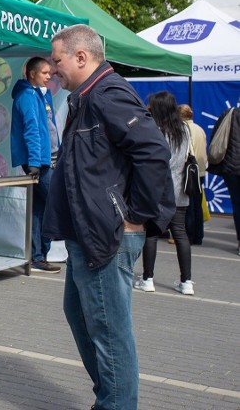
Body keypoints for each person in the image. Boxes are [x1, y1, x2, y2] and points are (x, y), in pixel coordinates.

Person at [43, 24, 174, 410]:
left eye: (57, 60)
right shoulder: (88, 96)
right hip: (90, 233)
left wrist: (137, 218)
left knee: (109, 332)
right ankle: (112, 396)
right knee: (82, 316)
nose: (52, 70)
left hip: (107, 234)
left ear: (81, 57)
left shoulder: (107, 93)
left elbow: (153, 152)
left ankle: (115, 402)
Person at [133, 92, 194, 295]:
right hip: (180, 189)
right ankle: (187, 281)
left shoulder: (154, 130)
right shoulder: (184, 129)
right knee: (180, 234)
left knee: (151, 233)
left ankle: (147, 278)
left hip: (158, 189)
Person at [10, 56, 61, 274]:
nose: (49, 77)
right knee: (51, 205)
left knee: (40, 208)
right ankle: (39, 255)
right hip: (39, 161)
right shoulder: (27, 96)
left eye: (50, 73)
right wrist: (33, 163)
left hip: (47, 158)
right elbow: (31, 129)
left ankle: (38, 256)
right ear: (32, 74)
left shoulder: (40, 94)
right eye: (45, 73)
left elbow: (47, 127)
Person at [207, 98, 240, 256]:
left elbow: (216, 137)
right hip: (232, 168)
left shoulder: (229, 114)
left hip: (231, 167)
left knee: (237, 204)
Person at [178, 104, 206, 245]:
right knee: (197, 205)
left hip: (189, 171)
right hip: (200, 171)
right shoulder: (199, 129)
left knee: (187, 205)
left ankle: (188, 235)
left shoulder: (184, 130)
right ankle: (198, 235)